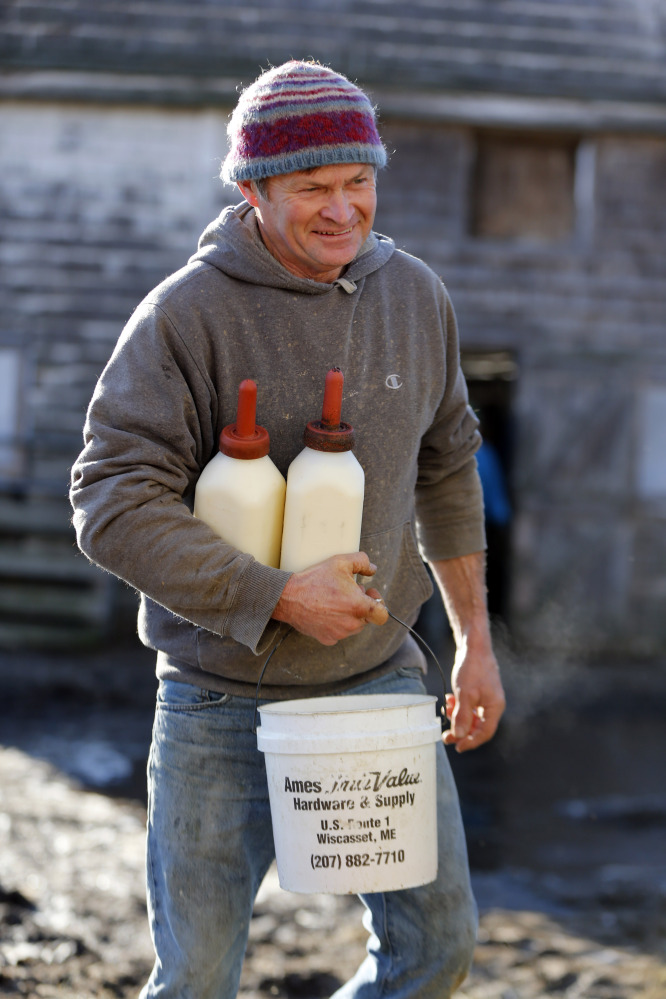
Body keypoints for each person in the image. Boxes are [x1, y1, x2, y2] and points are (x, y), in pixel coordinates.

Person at [70, 60, 505, 999]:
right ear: (252, 188)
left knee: (436, 954)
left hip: (378, 682)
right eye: (312, 187)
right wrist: (274, 596)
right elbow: (109, 500)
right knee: (196, 979)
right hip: (217, 698)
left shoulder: (417, 297)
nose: (342, 208)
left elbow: (447, 464)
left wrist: (473, 641)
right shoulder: (184, 317)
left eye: (359, 182)